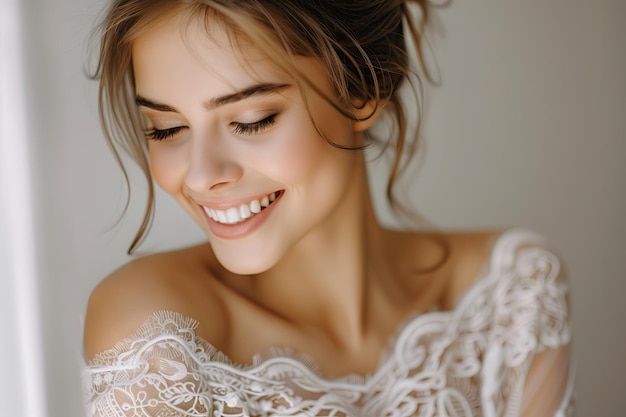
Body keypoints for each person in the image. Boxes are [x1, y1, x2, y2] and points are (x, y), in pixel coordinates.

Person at [82, 1, 574, 416]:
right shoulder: (152, 331)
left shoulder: (510, 292)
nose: (199, 175)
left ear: (362, 86)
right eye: (166, 129)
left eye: (253, 120)